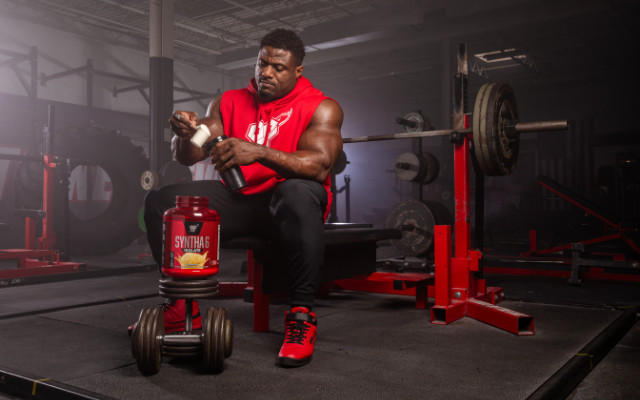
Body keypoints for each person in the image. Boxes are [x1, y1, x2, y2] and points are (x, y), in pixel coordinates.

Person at [143, 28, 343, 368]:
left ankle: (301, 318)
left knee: (297, 190)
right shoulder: (229, 102)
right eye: (262, 63)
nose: (266, 72)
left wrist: (258, 152)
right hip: (242, 200)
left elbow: (320, 166)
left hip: (289, 207)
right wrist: (186, 133)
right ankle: (178, 309)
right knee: (163, 202)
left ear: (297, 71)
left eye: (278, 67)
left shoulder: (320, 107)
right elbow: (188, 157)